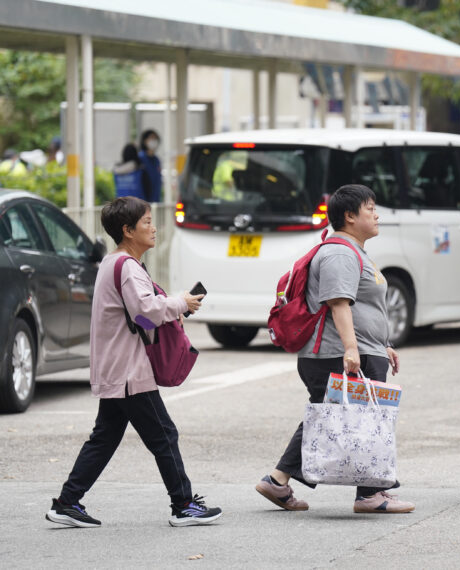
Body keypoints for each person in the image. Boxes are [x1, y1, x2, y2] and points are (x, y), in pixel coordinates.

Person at [46, 197, 222, 528]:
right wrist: (179, 303)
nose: (153, 228)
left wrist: (174, 304)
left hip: (118, 367)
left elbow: (137, 318)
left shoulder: (114, 264)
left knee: (105, 437)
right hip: (128, 371)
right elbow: (145, 313)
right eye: (146, 222)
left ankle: (67, 502)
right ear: (127, 231)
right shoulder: (125, 266)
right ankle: (183, 504)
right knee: (164, 435)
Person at [255, 184, 414, 514]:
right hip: (335, 354)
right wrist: (352, 350)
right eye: (370, 208)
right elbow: (338, 303)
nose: (376, 214)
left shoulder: (353, 251)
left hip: (352, 351)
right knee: (365, 418)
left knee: (325, 417)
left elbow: (362, 307)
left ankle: (278, 480)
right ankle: (371, 494)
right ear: (350, 216)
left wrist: (381, 344)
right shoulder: (340, 253)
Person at [139, 129, 162, 203]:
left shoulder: (157, 160)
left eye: (155, 139)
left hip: (155, 201)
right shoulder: (140, 158)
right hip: (142, 202)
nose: (154, 141)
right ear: (145, 141)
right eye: (151, 138)